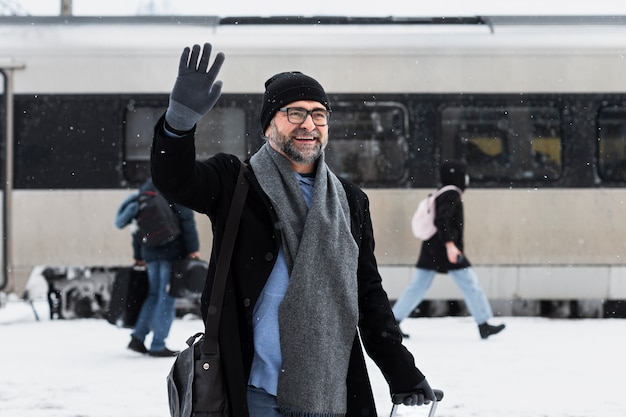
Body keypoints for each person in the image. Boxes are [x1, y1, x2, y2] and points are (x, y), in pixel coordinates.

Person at [150, 43, 437, 417]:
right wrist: (178, 123)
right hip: (253, 390)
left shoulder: (350, 201)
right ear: (269, 125)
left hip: (330, 392)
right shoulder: (235, 182)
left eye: (319, 115)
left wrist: (403, 373)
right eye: (295, 113)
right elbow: (175, 180)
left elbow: (367, 295)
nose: (309, 125)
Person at [393, 160, 506, 340]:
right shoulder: (452, 193)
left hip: (433, 247)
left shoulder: (442, 192)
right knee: (470, 285)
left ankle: (393, 323)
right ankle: (483, 323)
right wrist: (450, 245)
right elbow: (442, 221)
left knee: (418, 287)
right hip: (444, 248)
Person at [115, 178, 200, 357]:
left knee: (154, 295)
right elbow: (186, 220)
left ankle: (138, 338)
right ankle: (158, 344)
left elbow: (136, 229)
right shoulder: (173, 188)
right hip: (172, 252)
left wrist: (139, 255)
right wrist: (193, 249)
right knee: (167, 297)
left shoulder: (144, 193)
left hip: (150, 252)